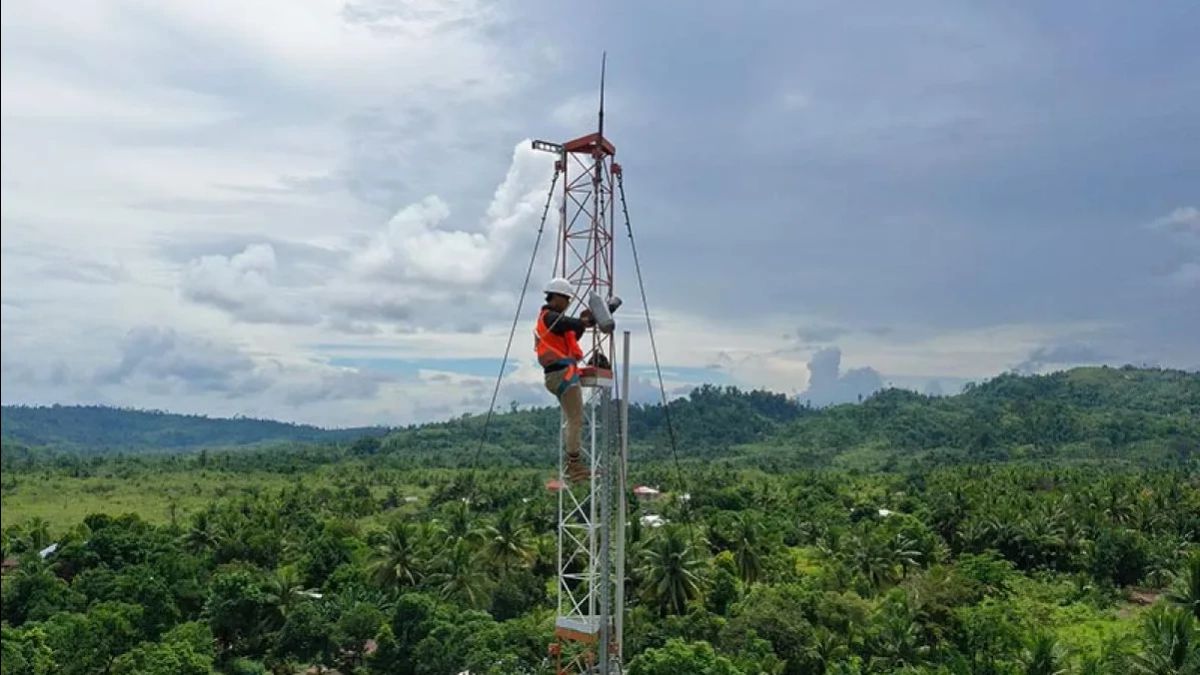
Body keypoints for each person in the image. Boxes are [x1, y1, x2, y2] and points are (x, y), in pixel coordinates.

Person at [534, 277, 596, 484]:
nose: (568, 302)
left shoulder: (555, 323)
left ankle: (573, 463)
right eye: (566, 298)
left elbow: (574, 329)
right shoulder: (550, 318)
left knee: (574, 418)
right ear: (556, 297)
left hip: (558, 374)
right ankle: (573, 463)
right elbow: (569, 324)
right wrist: (584, 321)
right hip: (561, 374)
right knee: (575, 419)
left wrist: (584, 323)